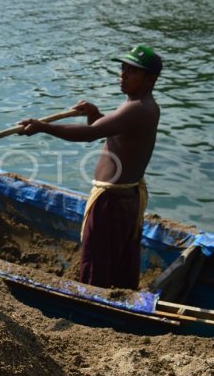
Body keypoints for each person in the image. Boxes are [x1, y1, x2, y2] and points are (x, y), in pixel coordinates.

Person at [18, 45, 162, 290]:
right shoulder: (140, 106)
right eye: (122, 68)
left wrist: (44, 127)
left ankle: (92, 305)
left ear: (150, 79)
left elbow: (91, 133)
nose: (123, 75)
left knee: (97, 260)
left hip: (111, 202)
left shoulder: (137, 108)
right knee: (120, 259)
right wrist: (95, 114)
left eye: (132, 71)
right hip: (124, 198)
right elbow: (113, 133)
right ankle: (121, 299)